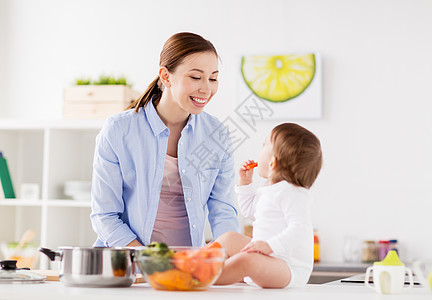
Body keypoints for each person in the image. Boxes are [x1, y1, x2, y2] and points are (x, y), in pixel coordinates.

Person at [90, 32, 240, 248]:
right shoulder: (119, 130)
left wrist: (222, 253)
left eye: (213, 78)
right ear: (166, 76)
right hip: (128, 264)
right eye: (196, 77)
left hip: (188, 267)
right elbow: (104, 215)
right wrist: (147, 260)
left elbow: (223, 211)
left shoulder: (217, 134)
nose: (206, 88)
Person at [214, 123, 323, 288]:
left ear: (273, 163)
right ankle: (188, 262)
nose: (260, 148)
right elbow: (250, 211)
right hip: (267, 258)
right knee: (229, 238)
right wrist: (245, 184)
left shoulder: (294, 193)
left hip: (289, 268)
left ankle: (199, 277)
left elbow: (299, 229)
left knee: (247, 260)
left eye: (264, 144)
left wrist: (270, 246)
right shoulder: (269, 190)